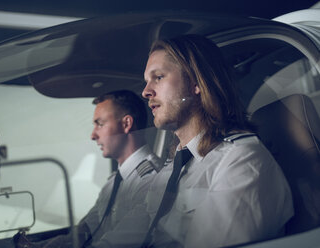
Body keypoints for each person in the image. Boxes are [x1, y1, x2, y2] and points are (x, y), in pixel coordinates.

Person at [140, 34, 294, 248]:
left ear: (195, 83)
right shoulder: (172, 166)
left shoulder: (242, 162)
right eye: (146, 81)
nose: (146, 91)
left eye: (158, 77)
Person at [21, 90, 162, 248]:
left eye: (100, 124)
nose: (93, 135)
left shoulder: (151, 181)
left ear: (126, 124)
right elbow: (85, 230)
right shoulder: (114, 181)